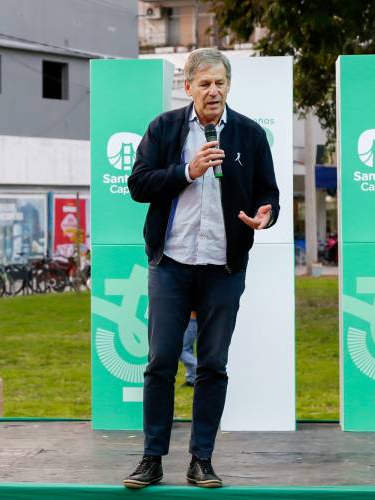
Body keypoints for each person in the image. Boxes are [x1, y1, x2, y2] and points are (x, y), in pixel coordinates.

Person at [123, 47, 279, 489]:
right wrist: (187, 171)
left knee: (212, 364)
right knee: (160, 362)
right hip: (171, 264)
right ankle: (151, 458)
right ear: (187, 86)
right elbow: (138, 185)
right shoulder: (164, 128)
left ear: (229, 86)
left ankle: (201, 460)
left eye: (221, 83)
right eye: (204, 83)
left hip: (223, 268)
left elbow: (270, 195)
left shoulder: (249, 135)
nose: (213, 91)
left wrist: (265, 215)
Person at [180, 312, 197, 387]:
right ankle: (191, 380)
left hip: (190, 321)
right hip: (191, 321)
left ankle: (198, 366)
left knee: (181, 351)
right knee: (188, 350)